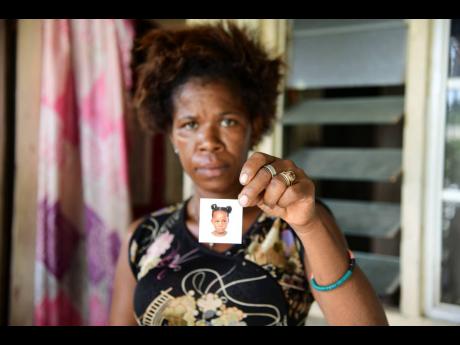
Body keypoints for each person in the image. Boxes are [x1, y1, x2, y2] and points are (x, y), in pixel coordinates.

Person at [109, 21, 389, 326]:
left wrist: (309, 225)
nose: (209, 143)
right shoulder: (144, 237)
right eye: (190, 125)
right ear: (172, 136)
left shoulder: (295, 226)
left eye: (228, 121)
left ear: (253, 128)